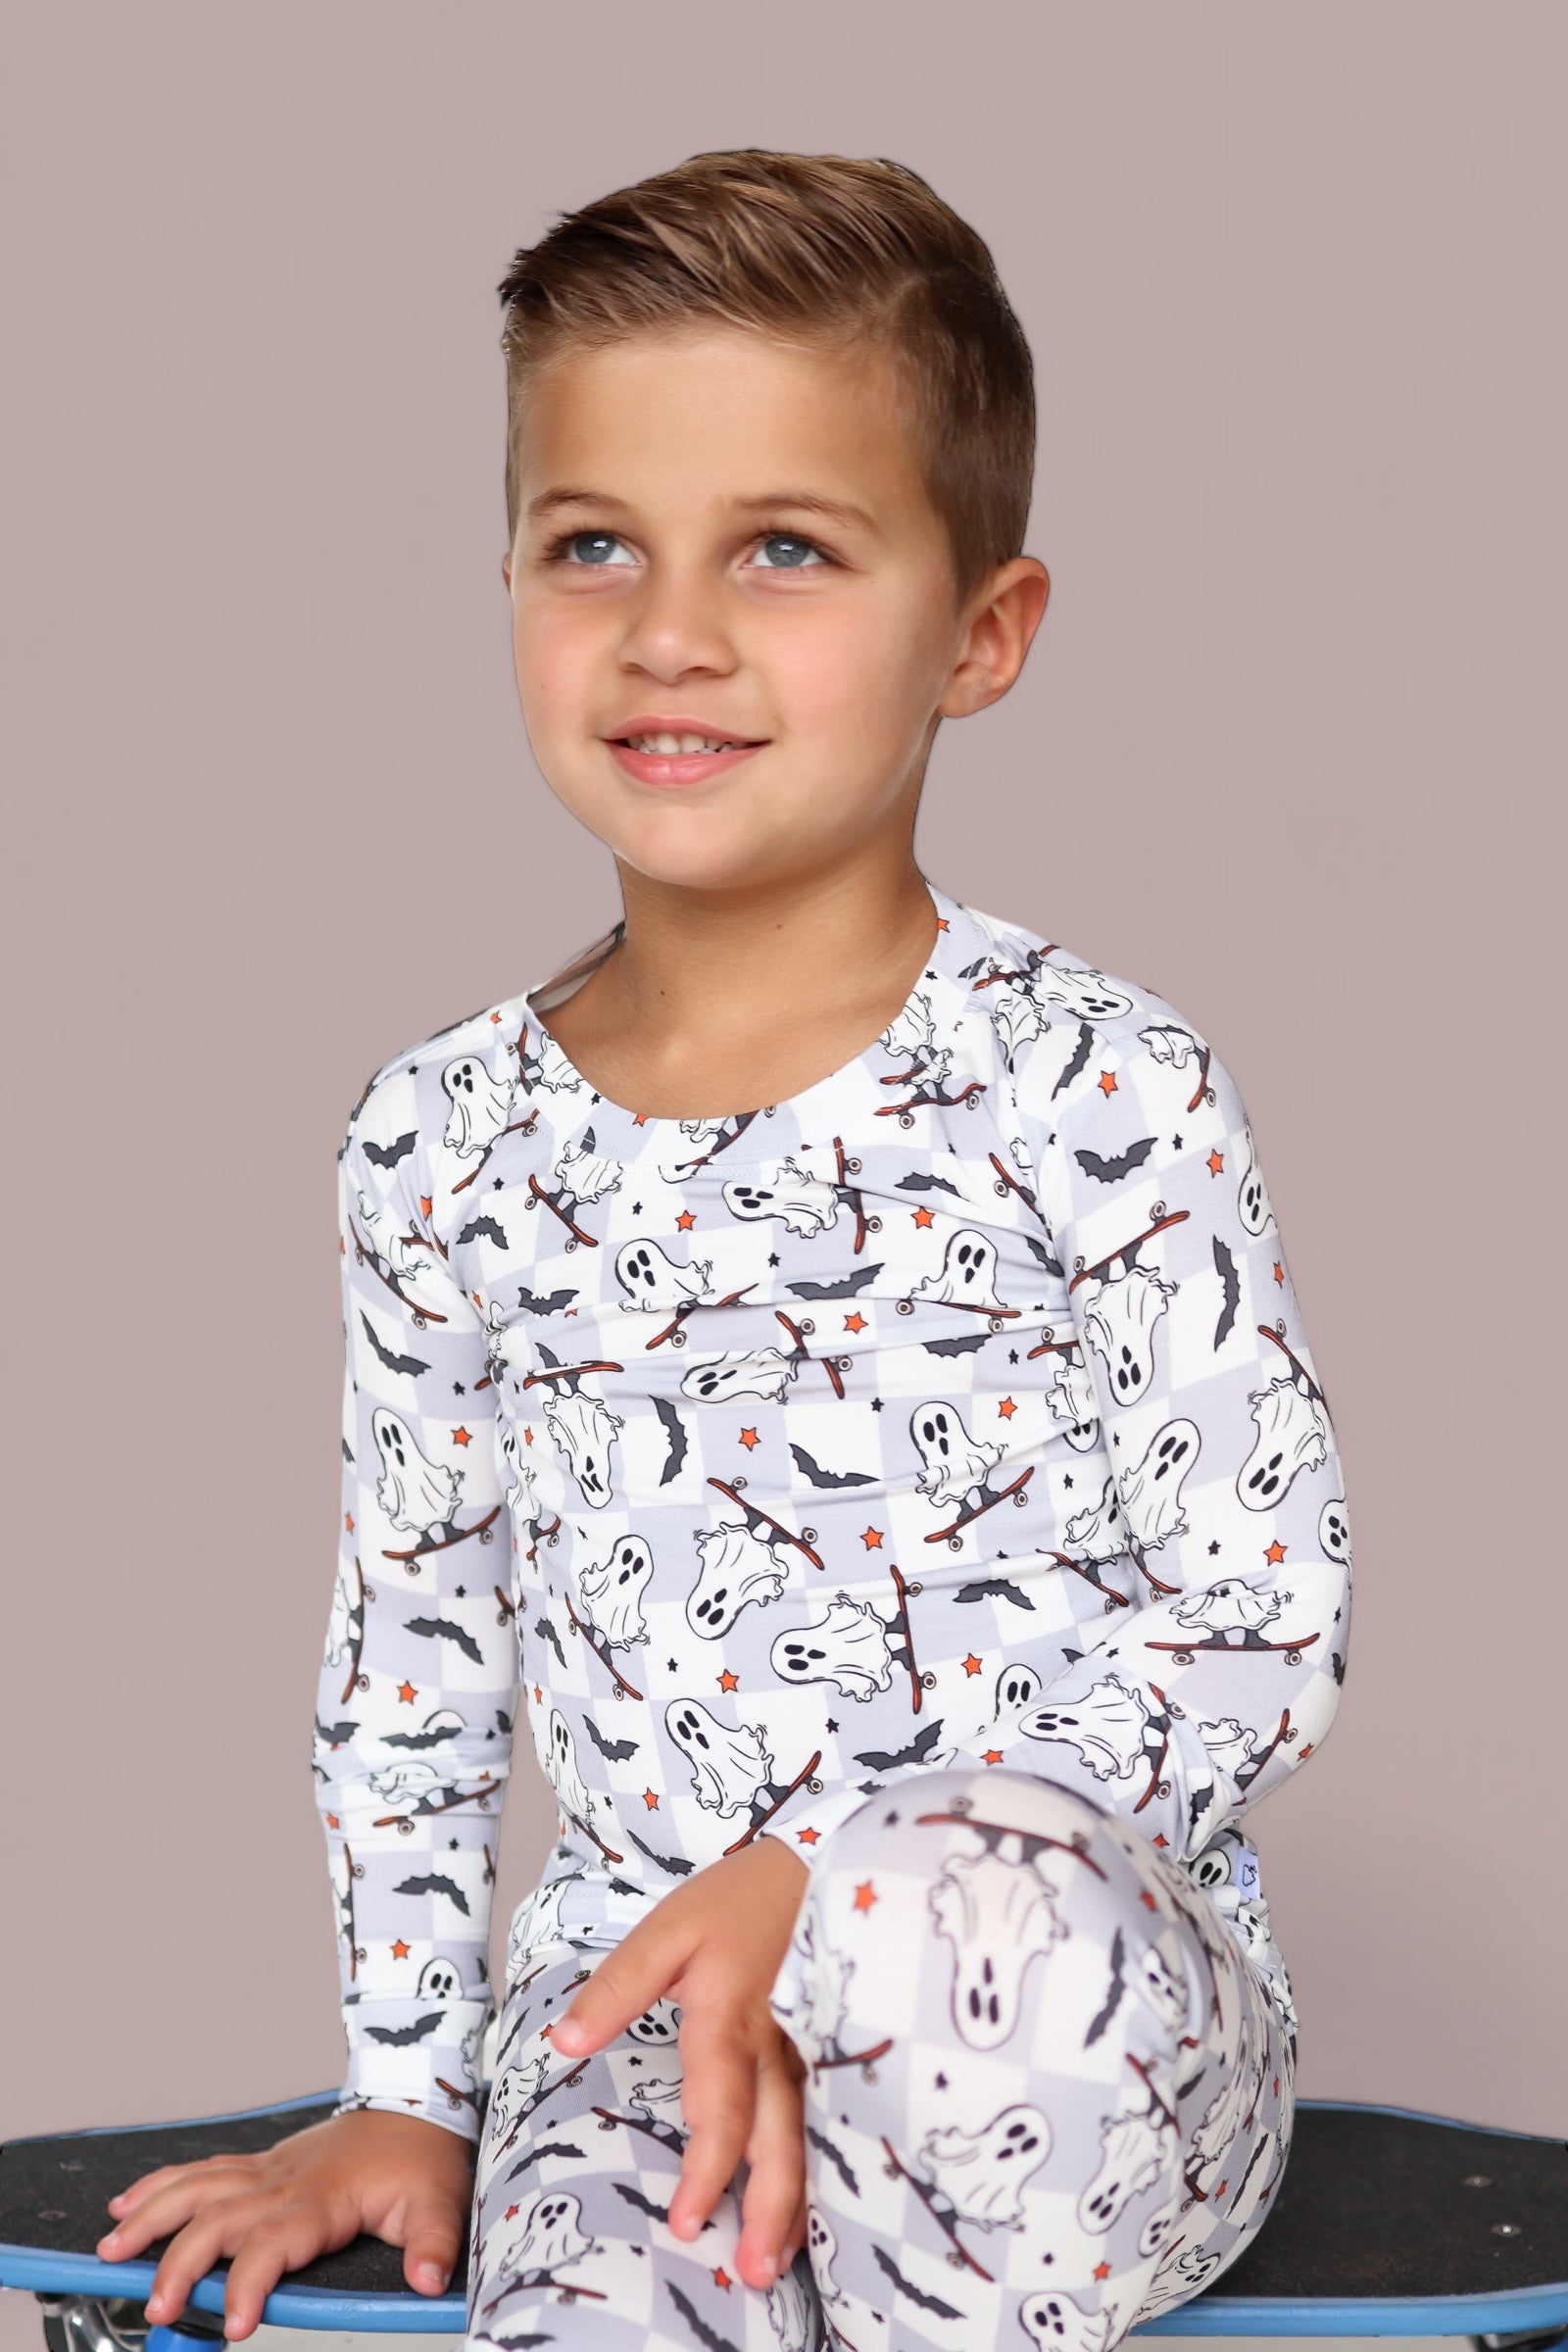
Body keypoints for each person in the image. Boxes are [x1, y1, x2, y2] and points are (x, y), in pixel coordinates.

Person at [95, 149, 1352, 2352]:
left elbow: (1261, 1617)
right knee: (586, 2292)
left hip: (1064, 2023)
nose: (668, 630)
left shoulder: (1096, 1086)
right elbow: (417, 1654)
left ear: (980, 636)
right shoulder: (440, 1142)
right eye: (592, 544)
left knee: (961, 1953)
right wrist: (409, 2089)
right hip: (645, 2037)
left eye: (784, 548)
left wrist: (826, 1881)